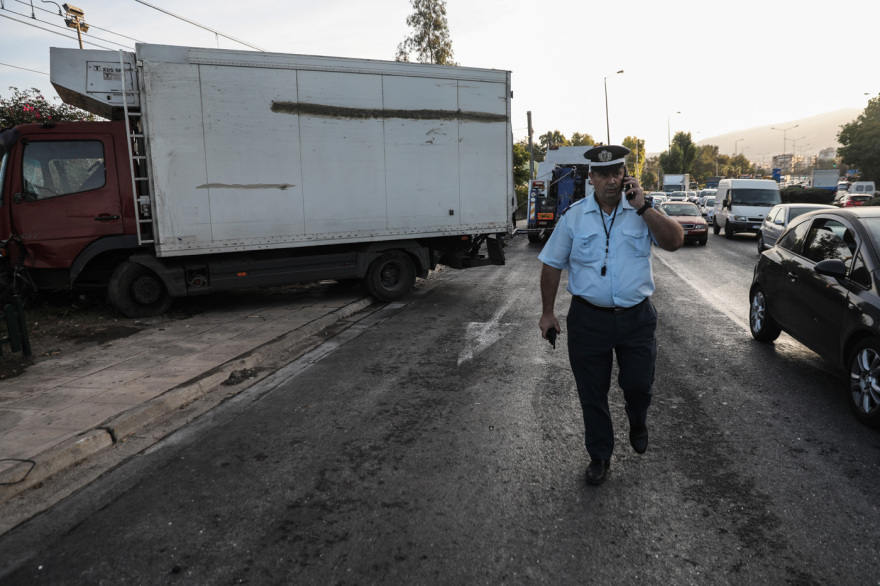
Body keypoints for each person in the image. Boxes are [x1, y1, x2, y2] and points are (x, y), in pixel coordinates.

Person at [537, 144, 684, 485]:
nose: (610, 181)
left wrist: (644, 206)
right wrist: (548, 314)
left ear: (625, 176)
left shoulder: (642, 211)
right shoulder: (574, 216)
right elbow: (552, 264)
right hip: (589, 319)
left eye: (616, 173)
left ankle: (638, 417)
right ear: (592, 178)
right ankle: (600, 455)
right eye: (602, 174)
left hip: (636, 318)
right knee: (592, 392)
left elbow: (675, 242)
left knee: (638, 384)